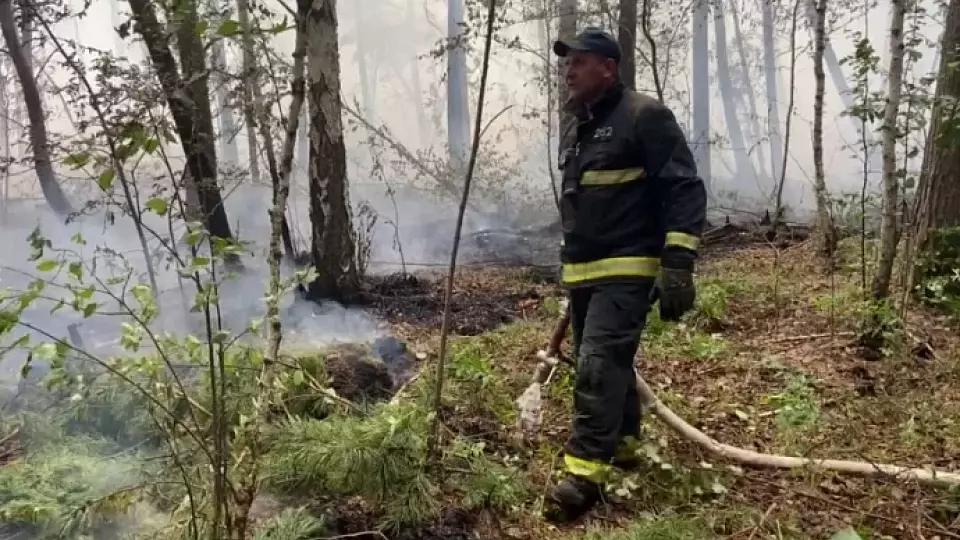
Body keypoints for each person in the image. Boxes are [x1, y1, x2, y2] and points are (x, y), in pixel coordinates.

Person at [547, 27, 708, 521]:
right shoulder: (579, 127)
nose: (568, 71)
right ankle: (623, 446)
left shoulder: (645, 116)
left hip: (628, 270)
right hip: (584, 275)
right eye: (566, 63)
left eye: (578, 62)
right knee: (605, 363)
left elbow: (683, 189)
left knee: (596, 364)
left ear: (608, 68)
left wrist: (678, 263)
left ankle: (584, 479)